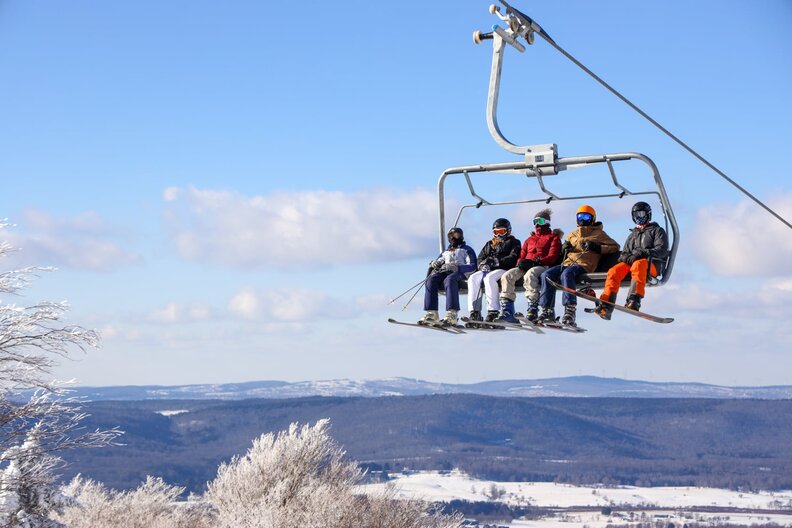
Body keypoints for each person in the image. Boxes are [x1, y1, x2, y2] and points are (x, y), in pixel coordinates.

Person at [537, 205, 620, 326]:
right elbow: (562, 251)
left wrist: (597, 247)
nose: (582, 219)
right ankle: (547, 310)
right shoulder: (572, 234)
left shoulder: (599, 234)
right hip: (568, 263)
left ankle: (570, 310)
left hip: (585, 264)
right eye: (580, 216)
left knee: (567, 274)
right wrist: (564, 248)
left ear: (592, 218)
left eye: (586, 216)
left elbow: (615, 247)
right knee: (546, 275)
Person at [595, 201, 669, 319]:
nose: (639, 217)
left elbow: (662, 250)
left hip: (652, 265)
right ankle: (606, 304)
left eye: (641, 214)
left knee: (638, 264)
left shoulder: (657, 231)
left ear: (648, 215)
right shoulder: (633, 235)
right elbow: (624, 254)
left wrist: (642, 253)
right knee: (614, 271)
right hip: (634, 266)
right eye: (636, 215)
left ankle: (634, 299)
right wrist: (628, 258)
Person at [496, 208, 563, 323]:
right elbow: (522, 255)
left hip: (542, 266)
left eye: (540, 221)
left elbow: (553, 257)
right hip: (527, 265)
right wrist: (520, 264)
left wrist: (537, 262)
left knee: (530, 275)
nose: (537, 224)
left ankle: (532, 308)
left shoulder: (553, 238)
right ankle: (508, 310)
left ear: (547, 222)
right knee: (507, 276)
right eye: (535, 222)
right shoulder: (529, 239)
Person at [419, 227, 478, 327]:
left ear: (461, 236)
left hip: (461, 274)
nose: (454, 238)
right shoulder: (445, 252)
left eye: (457, 235)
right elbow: (439, 260)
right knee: (431, 280)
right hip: (446, 272)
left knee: (450, 280)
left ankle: (452, 313)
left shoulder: (466, 250)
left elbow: (473, 266)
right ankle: (432, 313)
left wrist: (457, 267)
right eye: (451, 236)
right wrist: (435, 264)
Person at [466, 218, 521, 324]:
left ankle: (493, 311)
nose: (498, 234)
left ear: (508, 231)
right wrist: (482, 265)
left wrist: (496, 261)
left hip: (503, 269)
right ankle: (475, 312)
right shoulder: (490, 244)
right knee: (473, 278)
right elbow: (480, 257)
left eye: (501, 231)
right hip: (488, 269)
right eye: (496, 232)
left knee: (489, 278)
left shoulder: (514, 242)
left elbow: (513, 258)